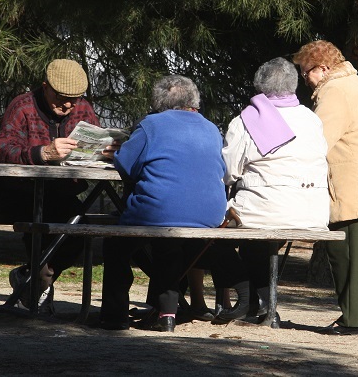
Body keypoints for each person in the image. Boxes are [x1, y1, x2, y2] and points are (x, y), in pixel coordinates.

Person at [99, 75, 248, 332]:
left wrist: (117, 153)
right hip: (209, 216)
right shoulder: (211, 128)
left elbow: (127, 166)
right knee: (167, 243)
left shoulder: (151, 125)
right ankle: (166, 314)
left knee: (116, 245)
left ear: (158, 102)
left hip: (157, 213)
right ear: (194, 101)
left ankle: (115, 317)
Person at [0, 58, 117, 314]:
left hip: (61, 194)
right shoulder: (22, 106)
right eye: (61, 98)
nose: (68, 105)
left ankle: (29, 279)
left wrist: (106, 152)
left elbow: (94, 144)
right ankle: (37, 287)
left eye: (74, 99)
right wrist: (42, 153)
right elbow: (4, 151)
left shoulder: (83, 108)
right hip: (18, 193)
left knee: (80, 230)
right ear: (45, 87)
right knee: (42, 227)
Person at [293, 40, 358, 336]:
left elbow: (319, 141)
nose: (305, 80)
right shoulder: (354, 82)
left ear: (323, 68)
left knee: (344, 253)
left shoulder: (334, 91)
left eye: (306, 72)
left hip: (350, 186)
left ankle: (353, 319)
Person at [221, 57, 330, 320]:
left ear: (259, 86)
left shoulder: (246, 120)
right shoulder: (311, 119)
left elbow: (228, 173)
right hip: (312, 211)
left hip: (264, 209)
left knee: (220, 233)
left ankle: (255, 300)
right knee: (256, 240)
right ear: (293, 85)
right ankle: (261, 304)